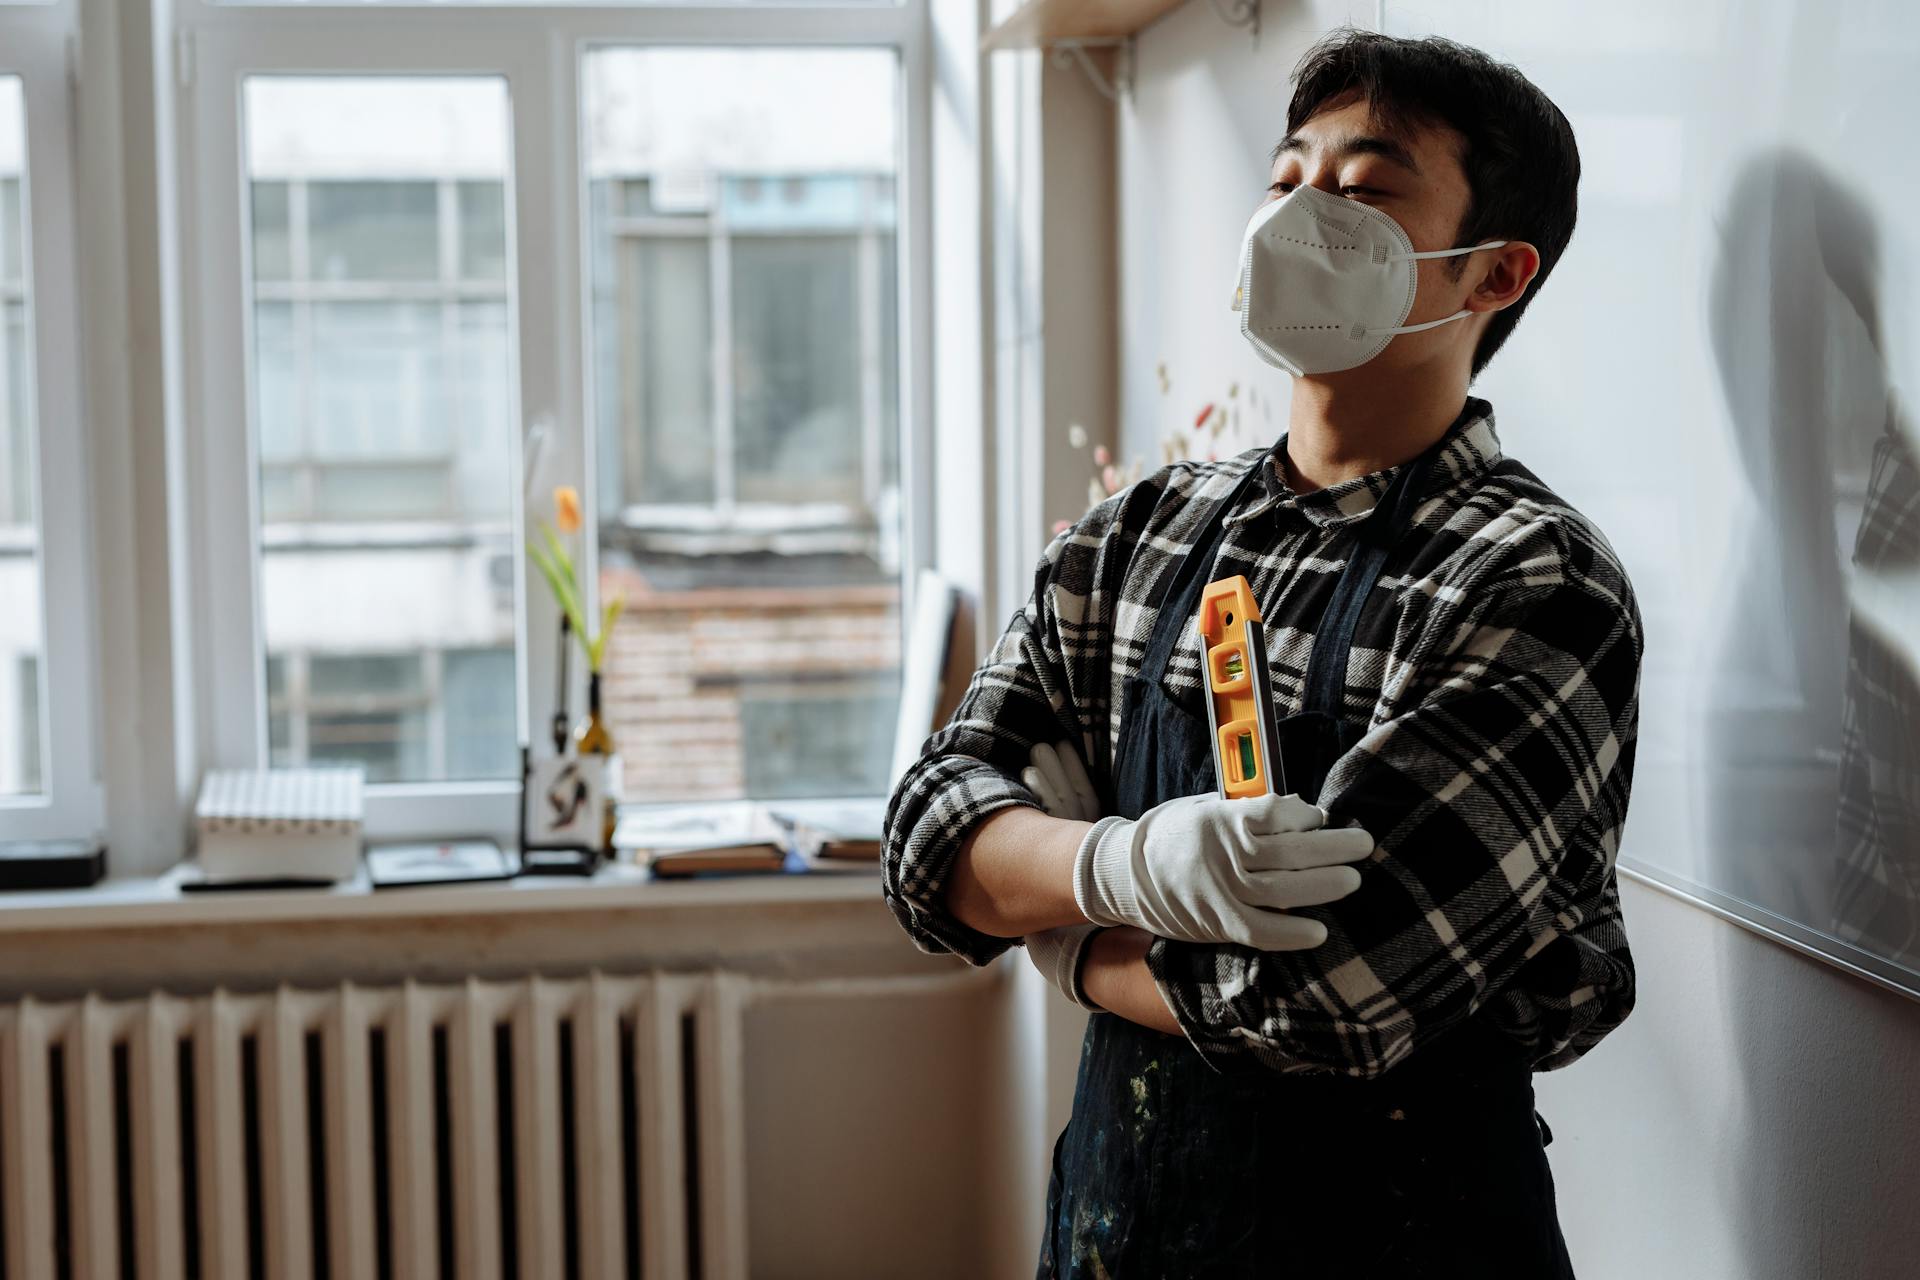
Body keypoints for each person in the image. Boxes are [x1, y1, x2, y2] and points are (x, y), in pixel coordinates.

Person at [882, 28, 1643, 1278]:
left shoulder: (1531, 579)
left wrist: (1060, 929)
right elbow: (929, 840)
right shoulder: (1142, 532)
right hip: (1120, 1227)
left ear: (1492, 274)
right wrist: (1125, 864)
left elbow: (1328, 996)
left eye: (1364, 189)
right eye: (1288, 180)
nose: (1300, 215)